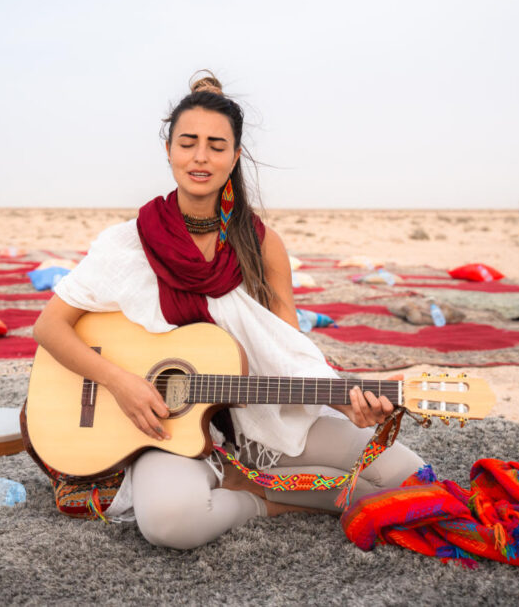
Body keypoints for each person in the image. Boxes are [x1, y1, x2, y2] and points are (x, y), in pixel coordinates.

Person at [33, 71, 423, 549]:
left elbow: (288, 350)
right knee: (171, 522)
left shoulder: (261, 245)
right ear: (169, 150)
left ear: (235, 156)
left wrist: (347, 402)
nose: (201, 157)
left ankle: (260, 477)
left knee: (409, 478)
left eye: (216, 146)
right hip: (167, 429)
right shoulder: (126, 243)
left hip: (258, 419)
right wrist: (120, 382)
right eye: (188, 143)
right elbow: (49, 327)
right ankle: (258, 498)